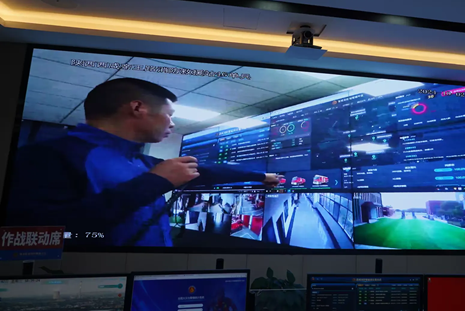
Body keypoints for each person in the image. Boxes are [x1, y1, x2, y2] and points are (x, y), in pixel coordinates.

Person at [5, 78, 281, 246]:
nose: (172, 124)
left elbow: (204, 171)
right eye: (169, 114)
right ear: (138, 108)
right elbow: (38, 231)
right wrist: (155, 183)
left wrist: (261, 177)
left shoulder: (136, 160)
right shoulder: (48, 155)